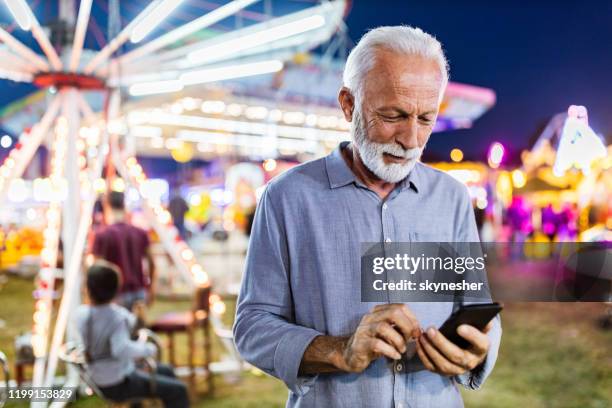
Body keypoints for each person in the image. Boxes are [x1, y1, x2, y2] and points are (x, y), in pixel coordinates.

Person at [234, 26, 502, 407]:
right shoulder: (287, 198)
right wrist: (339, 350)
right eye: (393, 115)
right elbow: (252, 326)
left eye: (426, 119)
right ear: (348, 104)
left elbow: (476, 308)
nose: (411, 140)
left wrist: (480, 348)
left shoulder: (451, 198)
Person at [74, 261, 189, 407]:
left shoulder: (81, 314)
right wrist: (148, 348)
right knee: (179, 391)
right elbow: (120, 349)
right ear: (116, 288)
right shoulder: (116, 317)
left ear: (88, 288)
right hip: (118, 382)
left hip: (96, 377)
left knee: (165, 370)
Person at [92, 191, 155, 311]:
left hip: (115, 294)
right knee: (138, 328)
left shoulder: (102, 235)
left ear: (107, 206)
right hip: (139, 291)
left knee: (117, 328)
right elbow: (152, 263)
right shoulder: (140, 233)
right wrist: (150, 288)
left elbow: (97, 269)